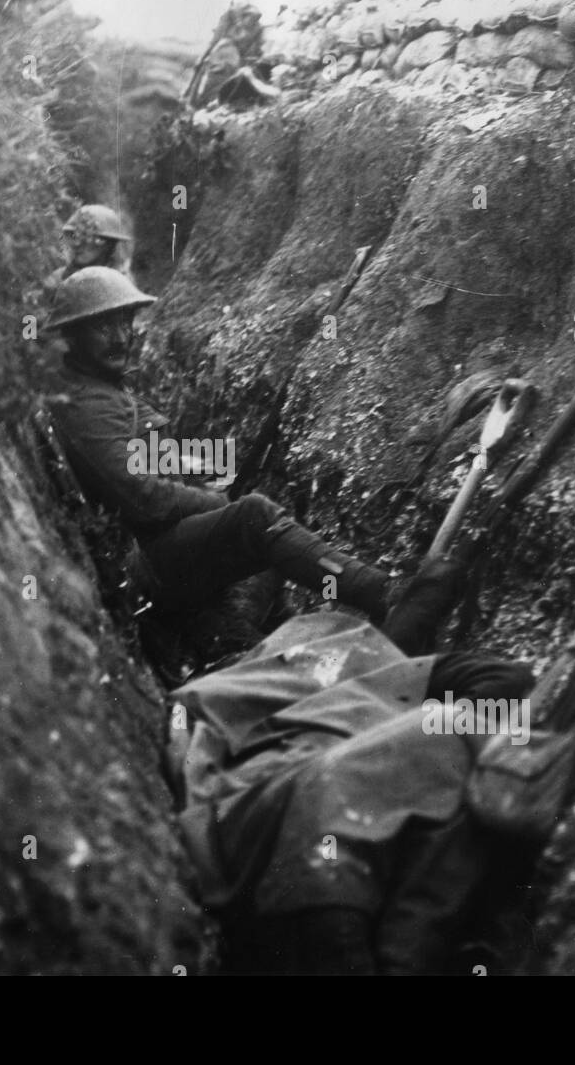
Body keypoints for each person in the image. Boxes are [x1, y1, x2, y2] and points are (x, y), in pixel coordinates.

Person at [43, 265, 465, 654]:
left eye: (123, 321)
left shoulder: (103, 387)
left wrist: (198, 468)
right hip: (141, 565)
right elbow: (143, 498)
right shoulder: (84, 402)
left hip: (156, 551)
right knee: (254, 516)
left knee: (265, 539)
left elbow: (143, 459)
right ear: (73, 336)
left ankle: (258, 646)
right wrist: (213, 504)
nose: (120, 337)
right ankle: (382, 595)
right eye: (102, 325)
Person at [168, 607, 536, 975]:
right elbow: (507, 680)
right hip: (326, 866)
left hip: (286, 858)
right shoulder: (386, 689)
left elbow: (187, 752)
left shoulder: (233, 694)